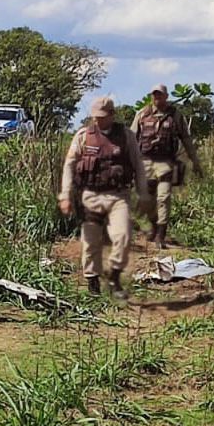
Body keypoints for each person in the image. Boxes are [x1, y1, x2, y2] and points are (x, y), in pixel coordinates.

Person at [59, 96, 150, 299]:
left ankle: (114, 275)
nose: (98, 121)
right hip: (90, 195)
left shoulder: (126, 136)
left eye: (102, 117)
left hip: (118, 196)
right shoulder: (83, 135)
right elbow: (69, 165)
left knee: (123, 236)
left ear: (112, 115)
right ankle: (92, 281)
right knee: (91, 241)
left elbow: (139, 167)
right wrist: (65, 195)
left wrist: (143, 194)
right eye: (95, 117)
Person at [131, 84, 204, 249]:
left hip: (166, 162)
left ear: (166, 96)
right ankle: (154, 226)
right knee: (146, 199)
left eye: (160, 95)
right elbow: (131, 138)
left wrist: (195, 162)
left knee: (163, 198)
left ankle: (161, 235)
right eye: (154, 95)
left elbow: (186, 139)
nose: (157, 98)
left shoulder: (176, 116)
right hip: (145, 162)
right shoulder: (142, 114)